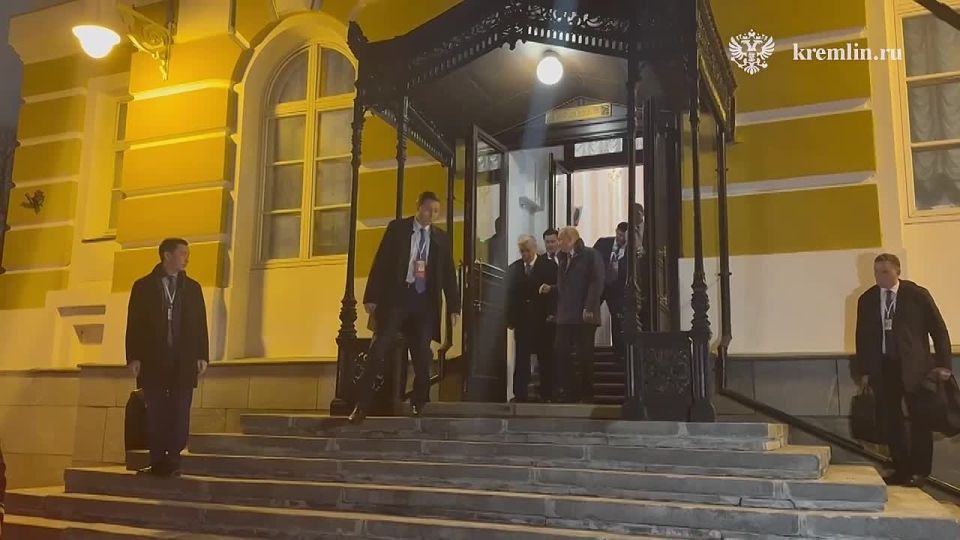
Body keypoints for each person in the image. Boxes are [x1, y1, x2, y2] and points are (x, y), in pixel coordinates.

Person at [351, 191, 461, 423]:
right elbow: (381, 261)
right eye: (428, 209)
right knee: (378, 349)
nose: (432, 215)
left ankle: (419, 403)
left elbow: (448, 274)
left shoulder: (441, 238)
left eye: (436, 211)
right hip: (398, 297)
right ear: (419, 207)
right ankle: (361, 405)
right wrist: (371, 296)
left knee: (422, 354)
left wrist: (454, 306)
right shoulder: (398, 229)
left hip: (424, 301)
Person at [855, 253, 952, 487]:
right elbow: (862, 337)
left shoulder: (917, 295)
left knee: (920, 419)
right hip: (884, 366)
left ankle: (920, 471)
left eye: (885, 272)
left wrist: (943, 365)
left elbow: (939, 330)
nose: (879, 277)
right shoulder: (867, 299)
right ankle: (900, 468)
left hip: (916, 368)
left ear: (897, 271)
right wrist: (864, 370)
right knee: (891, 420)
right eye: (876, 272)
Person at [126, 238, 209, 477]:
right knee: (156, 412)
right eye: (183, 253)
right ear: (167, 255)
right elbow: (134, 324)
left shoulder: (192, 288)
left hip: (183, 360)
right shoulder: (143, 286)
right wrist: (134, 357)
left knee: (180, 411)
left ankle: (174, 459)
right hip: (154, 360)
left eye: (187, 254)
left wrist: (202, 355)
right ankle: (157, 460)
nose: (187, 259)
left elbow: (200, 324)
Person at [552, 226, 604, 403]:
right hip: (565, 315)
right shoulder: (562, 258)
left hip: (584, 315)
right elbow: (564, 287)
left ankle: (587, 392)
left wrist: (589, 307)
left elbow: (596, 282)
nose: (558, 243)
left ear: (571, 240)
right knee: (561, 352)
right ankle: (570, 391)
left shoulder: (591, 255)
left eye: (561, 239)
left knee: (584, 355)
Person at [506, 235, 557, 402]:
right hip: (522, 321)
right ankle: (520, 393)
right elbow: (509, 296)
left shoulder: (549, 266)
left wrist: (552, 313)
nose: (525, 255)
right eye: (522, 251)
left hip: (543, 320)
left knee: (545, 356)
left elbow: (555, 294)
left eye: (527, 251)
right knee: (521, 357)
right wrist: (510, 319)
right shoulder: (514, 269)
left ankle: (547, 392)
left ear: (534, 249)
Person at [593, 222, 629, 359]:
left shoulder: (631, 250)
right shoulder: (603, 243)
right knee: (590, 314)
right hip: (600, 286)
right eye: (619, 235)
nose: (620, 238)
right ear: (616, 231)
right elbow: (592, 262)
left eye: (623, 236)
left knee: (618, 319)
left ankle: (618, 353)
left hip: (617, 289)